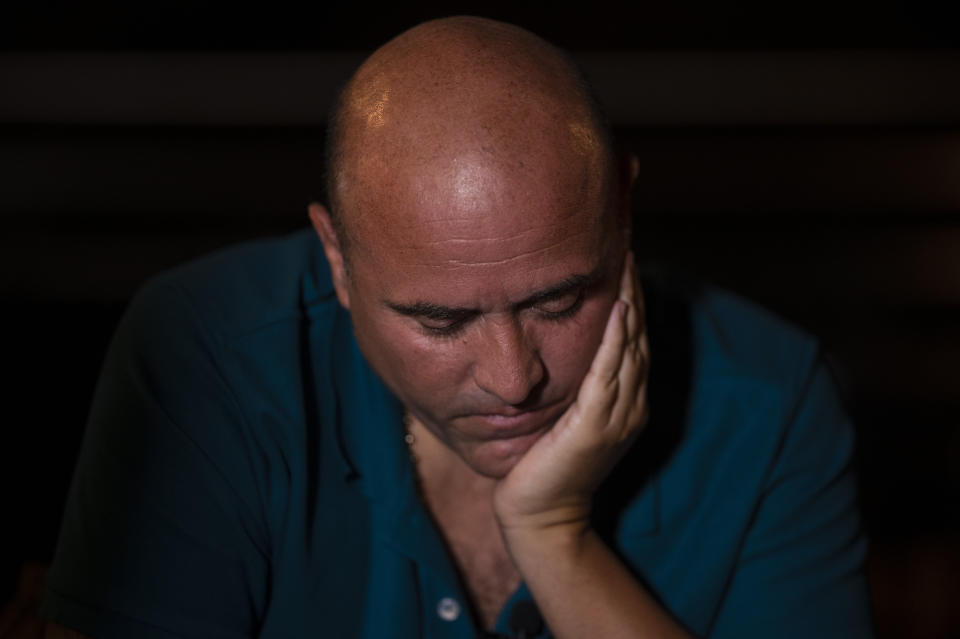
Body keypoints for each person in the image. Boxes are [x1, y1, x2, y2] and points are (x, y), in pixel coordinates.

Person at [31, 16, 873, 639]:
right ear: (338, 259)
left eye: (560, 301)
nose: (513, 378)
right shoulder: (209, 353)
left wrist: (554, 536)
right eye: (440, 319)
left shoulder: (772, 404)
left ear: (621, 211)